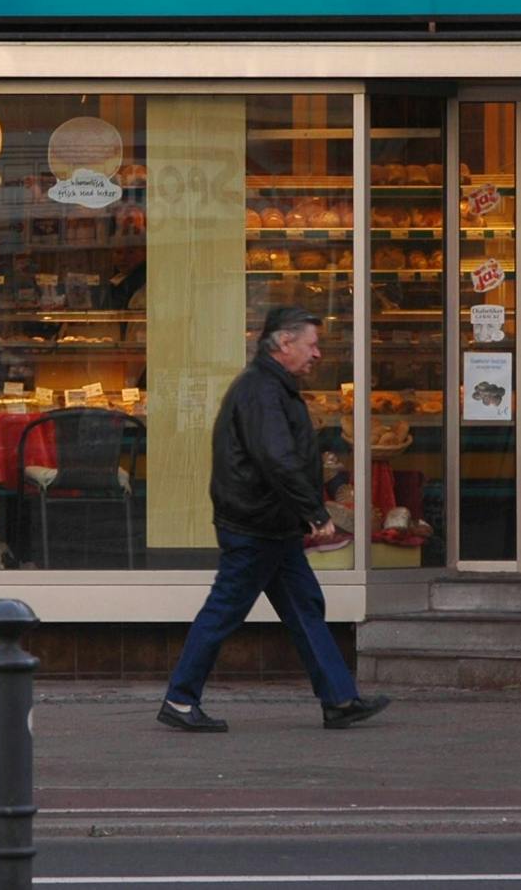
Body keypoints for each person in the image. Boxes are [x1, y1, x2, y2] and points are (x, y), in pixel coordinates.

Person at [158, 306, 391, 733]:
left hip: (269, 524)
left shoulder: (272, 387)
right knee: (226, 609)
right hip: (256, 525)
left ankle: (339, 699)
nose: (317, 354)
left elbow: (282, 458)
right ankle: (180, 698)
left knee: (304, 607)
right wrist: (313, 512)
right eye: (311, 344)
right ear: (285, 343)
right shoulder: (263, 391)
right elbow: (277, 459)